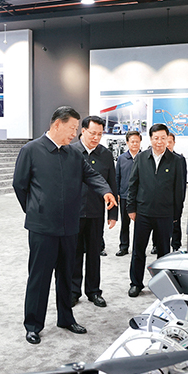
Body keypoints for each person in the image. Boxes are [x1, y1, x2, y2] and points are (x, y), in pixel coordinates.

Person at [13, 106, 117, 344]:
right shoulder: (31, 150)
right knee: (39, 277)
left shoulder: (73, 154)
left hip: (70, 226)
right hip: (42, 228)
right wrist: (35, 209)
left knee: (66, 275)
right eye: (72, 128)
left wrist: (106, 191)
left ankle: (66, 318)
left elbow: (91, 175)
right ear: (57, 124)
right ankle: (33, 325)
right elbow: (20, 185)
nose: (74, 133)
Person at [126, 123, 185, 297]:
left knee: (163, 252)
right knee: (138, 250)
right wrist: (131, 208)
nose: (159, 142)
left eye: (163, 138)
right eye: (156, 138)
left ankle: (162, 285)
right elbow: (133, 184)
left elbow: (179, 190)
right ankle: (136, 283)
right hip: (143, 212)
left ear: (168, 139)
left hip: (165, 214)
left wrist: (176, 215)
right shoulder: (141, 158)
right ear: (150, 139)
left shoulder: (177, 161)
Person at [70, 116, 117, 308]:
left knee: (94, 254)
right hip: (73, 213)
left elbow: (112, 183)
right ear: (83, 131)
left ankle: (94, 291)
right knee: (74, 254)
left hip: (96, 212)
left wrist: (113, 214)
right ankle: (73, 292)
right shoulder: (70, 151)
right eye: (93, 133)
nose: (96, 137)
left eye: (100, 134)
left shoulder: (106, 155)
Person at [115, 130, 141, 257]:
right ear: (127, 143)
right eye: (132, 141)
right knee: (125, 223)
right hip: (125, 195)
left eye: (137, 141)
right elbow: (117, 177)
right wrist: (117, 193)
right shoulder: (121, 159)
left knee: (140, 224)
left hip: (141, 197)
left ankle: (138, 248)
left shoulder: (144, 158)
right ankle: (124, 247)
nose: (135, 144)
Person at [166, 132, 188, 251]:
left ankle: (176, 244)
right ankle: (156, 245)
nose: (168, 144)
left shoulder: (180, 159)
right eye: (166, 142)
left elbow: (182, 181)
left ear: (174, 143)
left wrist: (181, 198)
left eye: (170, 142)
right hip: (162, 196)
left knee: (176, 220)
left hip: (175, 195)